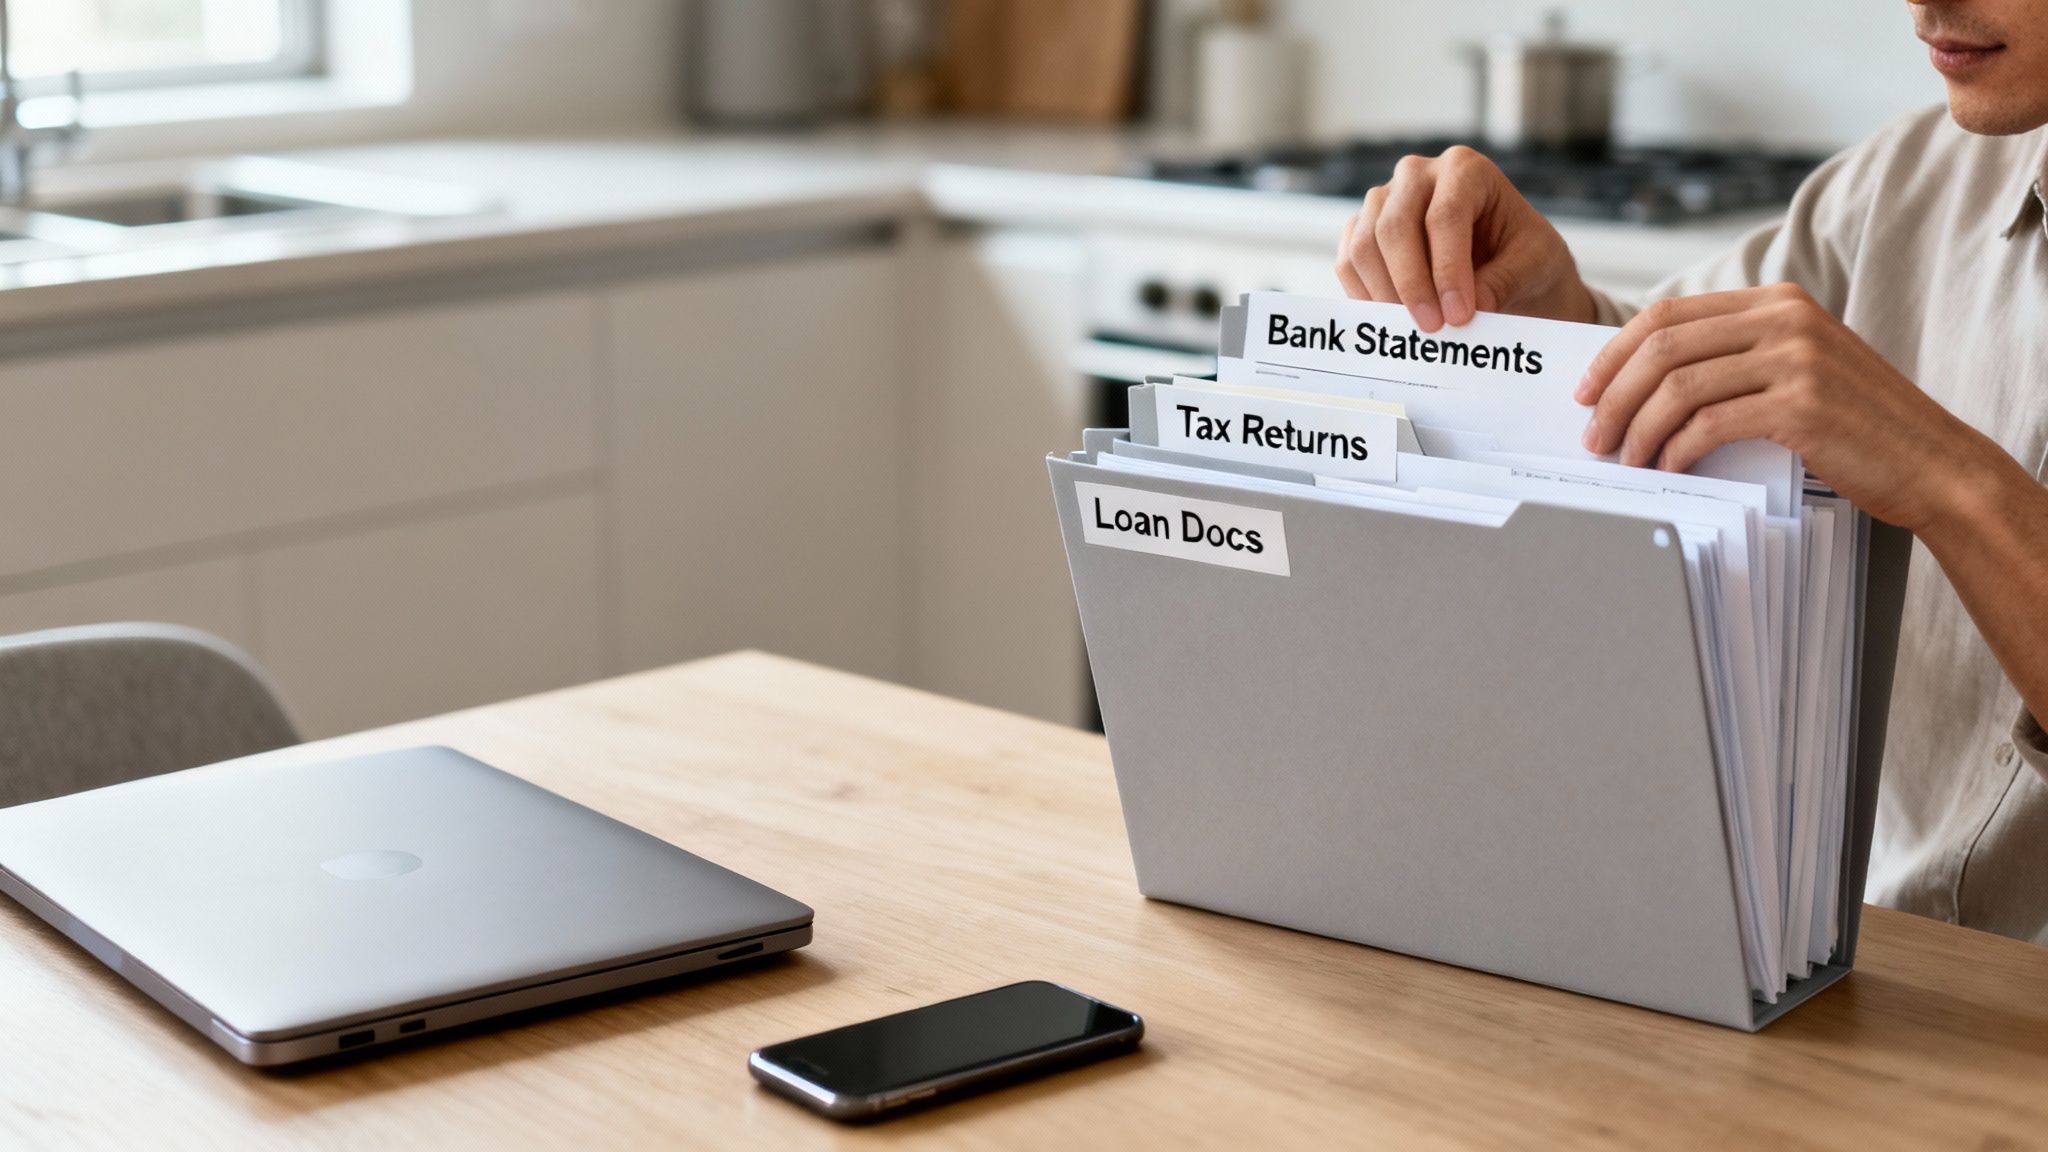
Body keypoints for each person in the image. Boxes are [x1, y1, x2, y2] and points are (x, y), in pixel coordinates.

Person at [1335, 0, 2048, 941]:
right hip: (1870, 974)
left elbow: (1907, 448)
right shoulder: (1904, 182)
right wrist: (1549, 313)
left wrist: (1948, 480)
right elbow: (1681, 367)